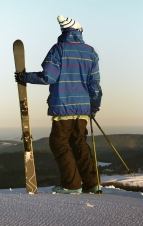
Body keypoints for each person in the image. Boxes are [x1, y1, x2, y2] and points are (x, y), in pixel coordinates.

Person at [14, 15, 102, 194]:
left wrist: (25, 77)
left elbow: (49, 77)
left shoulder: (58, 49)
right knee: (79, 143)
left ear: (65, 32)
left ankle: (72, 185)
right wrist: (93, 107)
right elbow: (95, 86)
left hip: (63, 107)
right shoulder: (91, 52)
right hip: (83, 109)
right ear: (79, 31)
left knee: (58, 143)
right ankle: (92, 183)